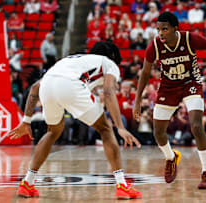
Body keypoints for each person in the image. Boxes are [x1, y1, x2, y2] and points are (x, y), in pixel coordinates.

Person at [9, 42, 142, 199]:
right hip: (70, 86)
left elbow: (35, 88)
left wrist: (26, 120)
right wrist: (120, 126)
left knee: (52, 132)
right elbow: (108, 91)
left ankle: (27, 183)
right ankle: (122, 185)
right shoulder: (109, 63)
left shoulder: (73, 60)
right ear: (112, 56)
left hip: (47, 86)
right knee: (106, 129)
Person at [133, 12, 206, 189]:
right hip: (168, 86)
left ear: (174, 29)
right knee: (158, 132)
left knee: (196, 126)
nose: (161, 33)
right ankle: (171, 157)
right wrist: (137, 99)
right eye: (158, 29)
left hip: (191, 83)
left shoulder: (190, 39)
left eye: (165, 29)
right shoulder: (154, 46)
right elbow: (145, 73)